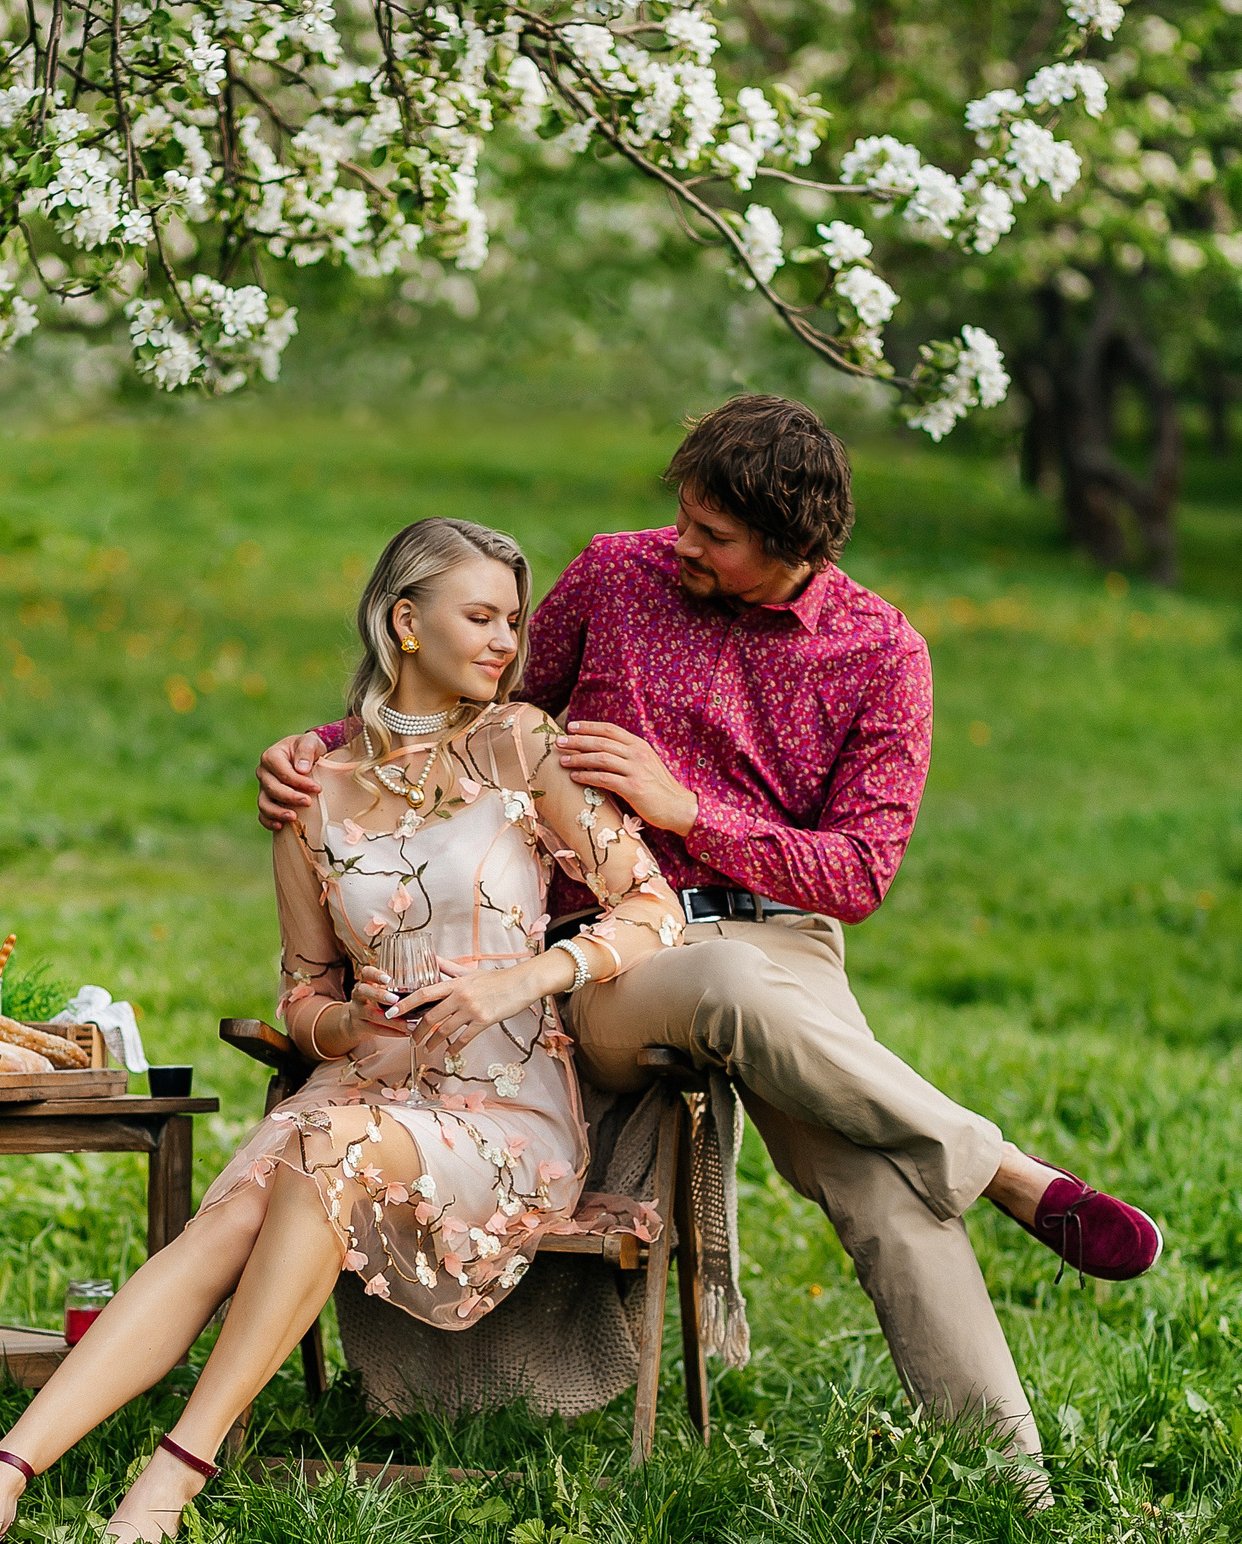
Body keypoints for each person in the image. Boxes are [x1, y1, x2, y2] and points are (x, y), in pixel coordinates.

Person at [256, 395, 1161, 1478]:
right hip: (613, 957)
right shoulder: (613, 576)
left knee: (879, 1181)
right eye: (681, 516)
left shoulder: (880, 655)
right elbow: (475, 711)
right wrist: (321, 751)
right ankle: (1003, 1167)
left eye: (712, 537)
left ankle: (1013, 1481)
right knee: (719, 972)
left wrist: (693, 814)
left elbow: (860, 874)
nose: (678, 543)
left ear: (792, 549)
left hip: (784, 949)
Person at [0, 518, 681, 1544]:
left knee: (322, 1151)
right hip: (364, 1086)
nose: (507, 639)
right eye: (481, 616)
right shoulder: (309, 796)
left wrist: (530, 974)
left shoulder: (523, 749)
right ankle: (4, 1468)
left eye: (513, 618)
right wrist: (351, 1026)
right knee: (227, 1222)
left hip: (505, 1112)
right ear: (404, 622)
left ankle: (170, 1476)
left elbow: (652, 910)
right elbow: (302, 996)